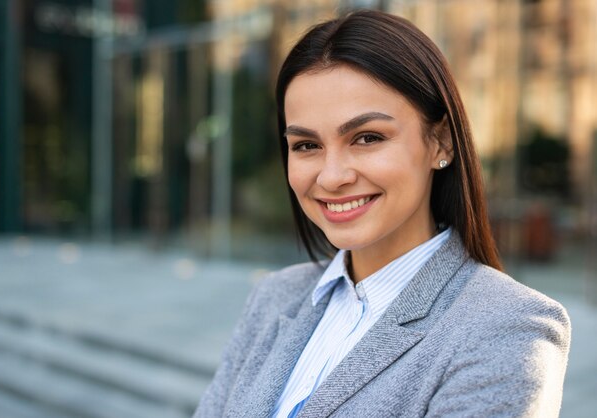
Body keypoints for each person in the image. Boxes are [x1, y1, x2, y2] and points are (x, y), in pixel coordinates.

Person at [193, 10, 570, 418]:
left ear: (441, 142)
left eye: (367, 138)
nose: (332, 176)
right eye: (305, 145)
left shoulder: (507, 327)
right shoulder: (273, 298)